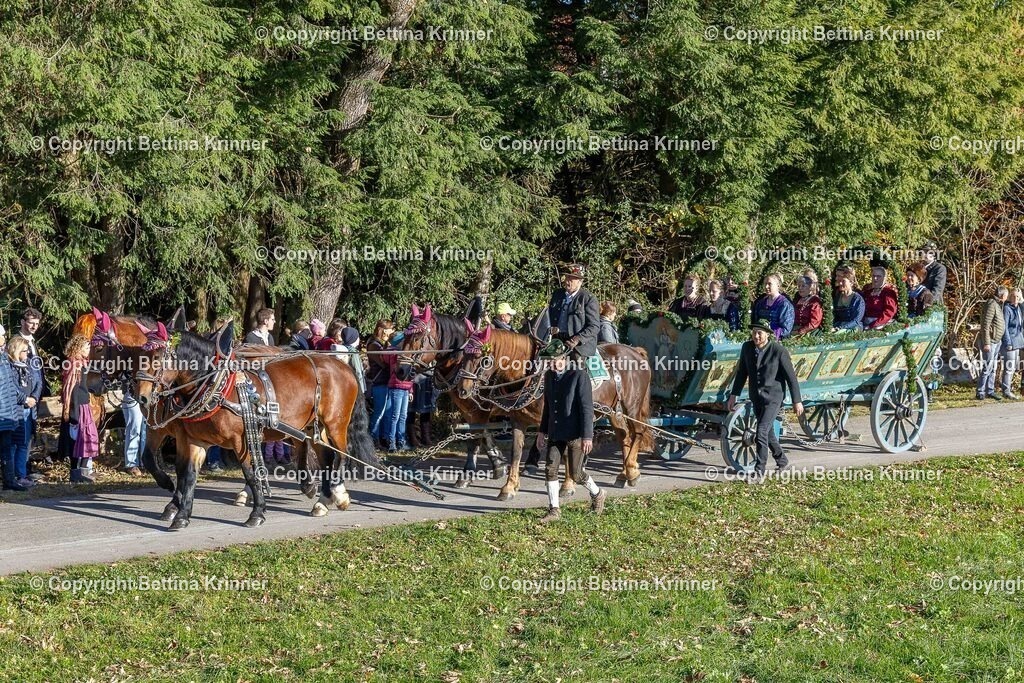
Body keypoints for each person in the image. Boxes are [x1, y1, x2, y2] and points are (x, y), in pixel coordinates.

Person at [535, 339, 606, 523]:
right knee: (550, 468)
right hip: (555, 431)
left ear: (563, 358)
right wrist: (542, 432)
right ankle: (554, 510)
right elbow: (548, 407)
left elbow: (586, 408)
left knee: (576, 474)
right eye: (547, 361)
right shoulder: (549, 376)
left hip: (575, 432)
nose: (549, 365)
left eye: (552, 361)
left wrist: (587, 436)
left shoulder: (579, 376)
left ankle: (598, 494)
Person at [727, 318, 804, 482]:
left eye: (760, 333)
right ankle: (782, 460)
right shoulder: (747, 348)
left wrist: (797, 401)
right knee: (767, 434)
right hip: (757, 397)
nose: (756, 336)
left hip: (774, 398)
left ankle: (759, 472)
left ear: (768, 335)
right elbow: (742, 373)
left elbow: (791, 379)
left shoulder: (779, 351)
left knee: (761, 431)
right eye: (754, 332)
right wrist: (734, 395)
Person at [546, 263, 601, 362]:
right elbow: (548, 316)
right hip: (557, 341)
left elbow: (594, 326)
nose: (567, 281)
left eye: (572, 278)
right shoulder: (557, 294)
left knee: (576, 371)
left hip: (579, 346)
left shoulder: (588, 299)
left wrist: (577, 339)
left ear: (580, 281)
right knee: (540, 366)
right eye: (567, 277)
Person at [14, 307, 45, 472]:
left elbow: (37, 371)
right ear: (22, 322)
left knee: (31, 430)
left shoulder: (33, 342)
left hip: (35, 394)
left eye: (37, 324)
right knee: (21, 435)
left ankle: (26, 465)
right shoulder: (16, 342)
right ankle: (20, 470)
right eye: (31, 323)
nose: (34, 326)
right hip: (23, 397)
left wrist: (37, 394)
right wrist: (28, 397)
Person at [6, 337, 40, 489]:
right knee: (14, 444)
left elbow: (38, 382)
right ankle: (12, 476)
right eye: (24, 351)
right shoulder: (9, 367)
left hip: (29, 409)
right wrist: (24, 399)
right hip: (16, 409)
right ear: (17, 351)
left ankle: (22, 474)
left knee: (24, 443)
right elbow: (11, 388)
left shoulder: (29, 365)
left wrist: (34, 397)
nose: (27, 353)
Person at [0, 326, 26, 491]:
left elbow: (10, 385)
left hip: (7, 412)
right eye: (3, 335)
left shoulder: (3, 358)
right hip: (2, 411)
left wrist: (23, 399)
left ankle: (9, 482)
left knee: (6, 448)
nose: (5, 337)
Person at [366, 320, 395, 448]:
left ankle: (384, 438)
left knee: (388, 412)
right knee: (379, 412)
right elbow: (383, 363)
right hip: (379, 382)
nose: (391, 332)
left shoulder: (381, 344)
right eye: (389, 330)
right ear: (382, 330)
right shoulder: (373, 345)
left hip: (386, 382)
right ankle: (373, 438)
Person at [977, 286, 1008, 401]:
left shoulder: (998, 304)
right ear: (1002, 295)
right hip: (991, 342)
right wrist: (987, 342)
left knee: (993, 367)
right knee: (987, 367)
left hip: (996, 341)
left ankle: (990, 390)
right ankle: (980, 391)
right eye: (1006, 295)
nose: (1007, 297)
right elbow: (985, 325)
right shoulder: (991, 304)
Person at [384, 333, 413, 452]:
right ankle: (392, 442)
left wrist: (411, 390)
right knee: (395, 416)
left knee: (403, 416)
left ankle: (401, 441)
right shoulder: (395, 354)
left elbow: (411, 373)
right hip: (397, 386)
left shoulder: (406, 353)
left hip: (406, 387)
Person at [752, 274, 795, 339]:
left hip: (778, 341)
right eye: (765, 284)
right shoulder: (760, 303)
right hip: (759, 338)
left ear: (778, 285)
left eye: (769, 284)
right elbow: (755, 322)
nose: (766, 286)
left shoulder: (785, 305)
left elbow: (786, 329)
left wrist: (770, 336)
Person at [1000, 288, 1023, 400]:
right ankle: (1006, 391)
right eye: (1013, 296)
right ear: (1009, 297)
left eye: (1017, 297)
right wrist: (1008, 342)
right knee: (1009, 368)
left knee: (1013, 368)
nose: (1015, 299)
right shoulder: (1007, 309)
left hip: (1017, 342)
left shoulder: (1018, 308)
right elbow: (1005, 328)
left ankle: (1008, 389)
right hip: (1009, 343)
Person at [120, 387, 146, 478]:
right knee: (134, 431)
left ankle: (145, 462)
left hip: (146, 396)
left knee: (145, 432)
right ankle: (131, 464)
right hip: (133, 396)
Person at [408, 371, 438, 448]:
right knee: (410, 411)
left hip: (427, 378)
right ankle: (412, 439)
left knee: (426, 411)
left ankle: (426, 438)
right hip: (412, 378)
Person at [339, 327, 365, 394]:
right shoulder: (353, 352)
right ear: (354, 339)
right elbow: (357, 370)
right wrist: (361, 389)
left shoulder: (342, 349)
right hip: (354, 385)